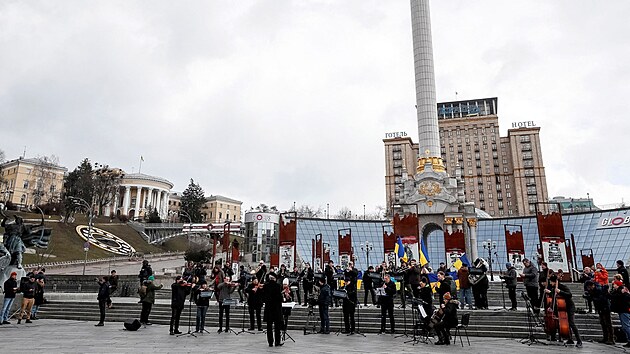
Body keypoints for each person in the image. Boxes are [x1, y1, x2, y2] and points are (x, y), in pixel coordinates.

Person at [544, 274, 582, 348]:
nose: (550, 283)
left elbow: (569, 295)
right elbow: (554, 299)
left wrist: (560, 291)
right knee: (565, 324)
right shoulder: (553, 289)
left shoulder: (562, 287)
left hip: (569, 307)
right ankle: (570, 339)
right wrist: (551, 307)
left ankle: (579, 340)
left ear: (554, 282)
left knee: (571, 323)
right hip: (561, 308)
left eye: (551, 282)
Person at [585, 280, 614, 344]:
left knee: (608, 323)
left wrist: (592, 298)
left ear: (592, 286)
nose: (588, 289)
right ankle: (605, 338)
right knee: (603, 323)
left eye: (589, 287)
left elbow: (602, 299)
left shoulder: (599, 290)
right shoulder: (594, 290)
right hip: (600, 308)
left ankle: (611, 339)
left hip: (605, 308)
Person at [262, 272, 284, 347]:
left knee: (269, 327)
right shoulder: (278, 286)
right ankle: (277, 342)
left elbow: (264, 298)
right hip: (276, 308)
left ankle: (270, 342)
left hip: (268, 309)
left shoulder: (265, 286)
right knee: (277, 326)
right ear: (275, 278)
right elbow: (279, 298)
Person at [610, 280, 630, 348]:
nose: (613, 285)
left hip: (624, 310)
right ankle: (629, 340)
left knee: (626, 326)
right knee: (625, 326)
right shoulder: (619, 292)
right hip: (622, 310)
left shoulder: (623, 292)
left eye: (614, 284)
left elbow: (623, 299)